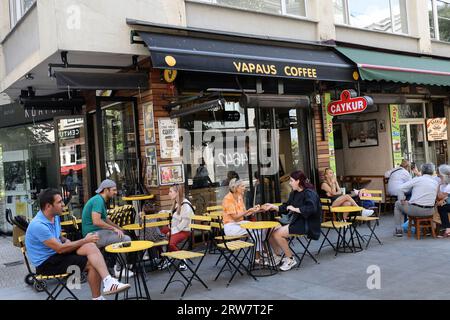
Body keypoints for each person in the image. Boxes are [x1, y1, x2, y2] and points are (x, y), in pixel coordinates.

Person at [25, 189, 130, 300]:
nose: (63, 204)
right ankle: (100, 294)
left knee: (91, 248)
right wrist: (84, 240)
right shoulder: (38, 225)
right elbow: (60, 249)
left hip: (56, 255)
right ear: (48, 206)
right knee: (92, 262)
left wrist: (66, 241)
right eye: (59, 202)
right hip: (46, 263)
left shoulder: (54, 217)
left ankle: (108, 282)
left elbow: (59, 237)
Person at [264, 171, 322, 272]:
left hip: (307, 224)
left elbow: (311, 209)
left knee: (277, 234)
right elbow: (287, 206)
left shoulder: (309, 193)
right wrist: (274, 207)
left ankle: (290, 259)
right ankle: (277, 256)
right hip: (296, 221)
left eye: (291, 181)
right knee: (269, 231)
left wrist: (295, 209)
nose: (289, 183)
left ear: (298, 181)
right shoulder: (294, 193)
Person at [81, 179, 133, 278]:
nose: (116, 192)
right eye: (114, 190)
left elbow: (105, 220)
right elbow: (96, 221)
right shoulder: (98, 200)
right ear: (106, 190)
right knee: (126, 239)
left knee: (122, 234)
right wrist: (114, 230)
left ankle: (113, 266)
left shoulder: (99, 200)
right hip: (93, 235)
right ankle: (119, 269)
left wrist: (118, 228)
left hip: (97, 233)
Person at [393, 163, 439, 237]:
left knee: (397, 204)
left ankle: (398, 230)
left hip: (415, 210)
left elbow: (400, 188)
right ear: (432, 171)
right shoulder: (435, 182)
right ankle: (425, 229)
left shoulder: (417, 179)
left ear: (422, 171)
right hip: (430, 211)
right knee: (410, 203)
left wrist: (402, 199)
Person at [160, 184, 194, 270]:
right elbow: (174, 213)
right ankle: (169, 257)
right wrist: (163, 212)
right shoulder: (177, 203)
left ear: (177, 193)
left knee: (171, 243)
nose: (169, 194)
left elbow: (183, 224)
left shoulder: (185, 205)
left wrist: (171, 232)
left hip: (184, 230)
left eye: (170, 191)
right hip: (176, 229)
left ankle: (183, 260)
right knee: (160, 233)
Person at [436, 164, 450, 237]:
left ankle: (447, 228)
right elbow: (440, 198)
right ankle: (445, 228)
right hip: (447, 202)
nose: (439, 177)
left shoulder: (448, 185)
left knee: (442, 208)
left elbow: (439, 196)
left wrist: (438, 186)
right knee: (440, 206)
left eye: (440, 175)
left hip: (447, 203)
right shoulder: (445, 184)